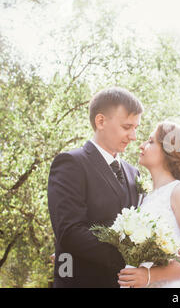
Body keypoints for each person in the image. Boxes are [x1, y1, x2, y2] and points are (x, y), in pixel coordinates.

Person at [48, 87, 155, 287]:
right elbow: (70, 231)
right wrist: (129, 260)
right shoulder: (70, 163)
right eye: (126, 127)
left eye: (136, 128)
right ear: (101, 121)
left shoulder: (134, 173)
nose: (133, 136)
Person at [117, 122, 180, 288]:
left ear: (169, 151)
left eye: (151, 142)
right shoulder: (148, 197)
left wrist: (149, 275)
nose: (141, 145)